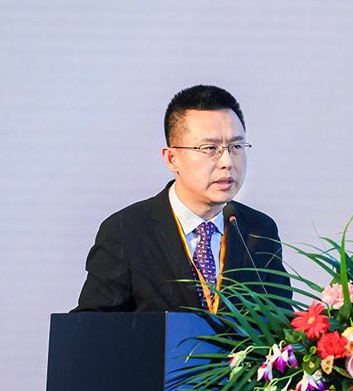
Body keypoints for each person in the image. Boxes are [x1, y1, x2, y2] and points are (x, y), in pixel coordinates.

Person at [72, 85, 291, 313]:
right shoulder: (126, 231)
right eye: (209, 148)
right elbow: (92, 326)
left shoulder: (259, 230)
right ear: (172, 159)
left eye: (236, 146)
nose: (227, 161)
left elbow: (281, 321)